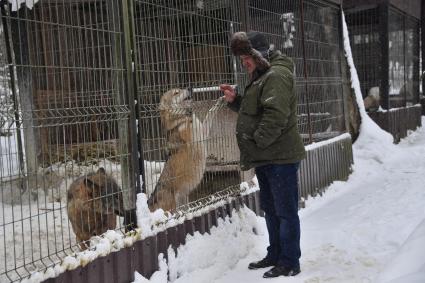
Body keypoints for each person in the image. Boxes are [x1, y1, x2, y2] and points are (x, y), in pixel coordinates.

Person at [220, 31, 306, 278]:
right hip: (269, 157)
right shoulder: (263, 74)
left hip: (280, 157)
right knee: (271, 208)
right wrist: (236, 99)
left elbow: (275, 117)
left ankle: (289, 261)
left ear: (258, 55)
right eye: (242, 59)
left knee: (285, 211)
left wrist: (256, 141)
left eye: (246, 58)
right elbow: (258, 108)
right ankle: (276, 254)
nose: (244, 63)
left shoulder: (276, 75)